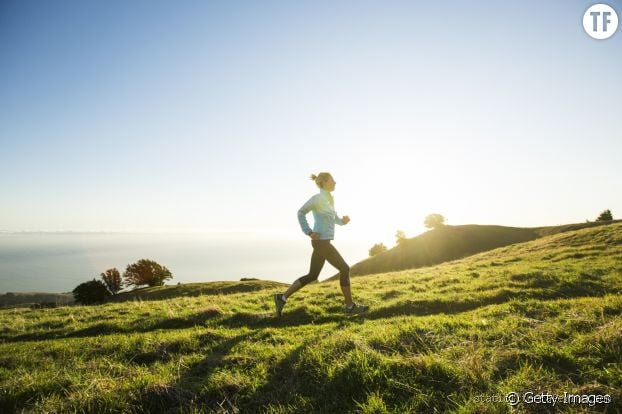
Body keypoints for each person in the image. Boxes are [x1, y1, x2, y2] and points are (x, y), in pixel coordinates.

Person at [274, 172, 369, 316]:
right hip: (321, 243)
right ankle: (350, 306)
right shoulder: (317, 199)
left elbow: (334, 219)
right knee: (344, 268)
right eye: (333, 180)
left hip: (323, 242)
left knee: (312, 275)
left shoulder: (330, 200)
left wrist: (342, 221)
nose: (335, 182)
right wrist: (309, 231)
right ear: (325, 182)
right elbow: (300, 212)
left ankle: (282, 297)